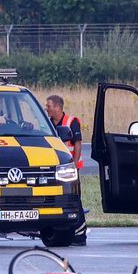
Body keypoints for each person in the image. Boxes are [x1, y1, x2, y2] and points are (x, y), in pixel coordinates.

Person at [45, 95, 87, 246]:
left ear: (57, 107)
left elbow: (77, 143)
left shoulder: (72, 122)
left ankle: (80, 234)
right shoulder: (48, 123)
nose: (46, 108)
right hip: (55, 168)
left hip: (69, 168)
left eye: (48, 106)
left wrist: (74, 164)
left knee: (74, 199)